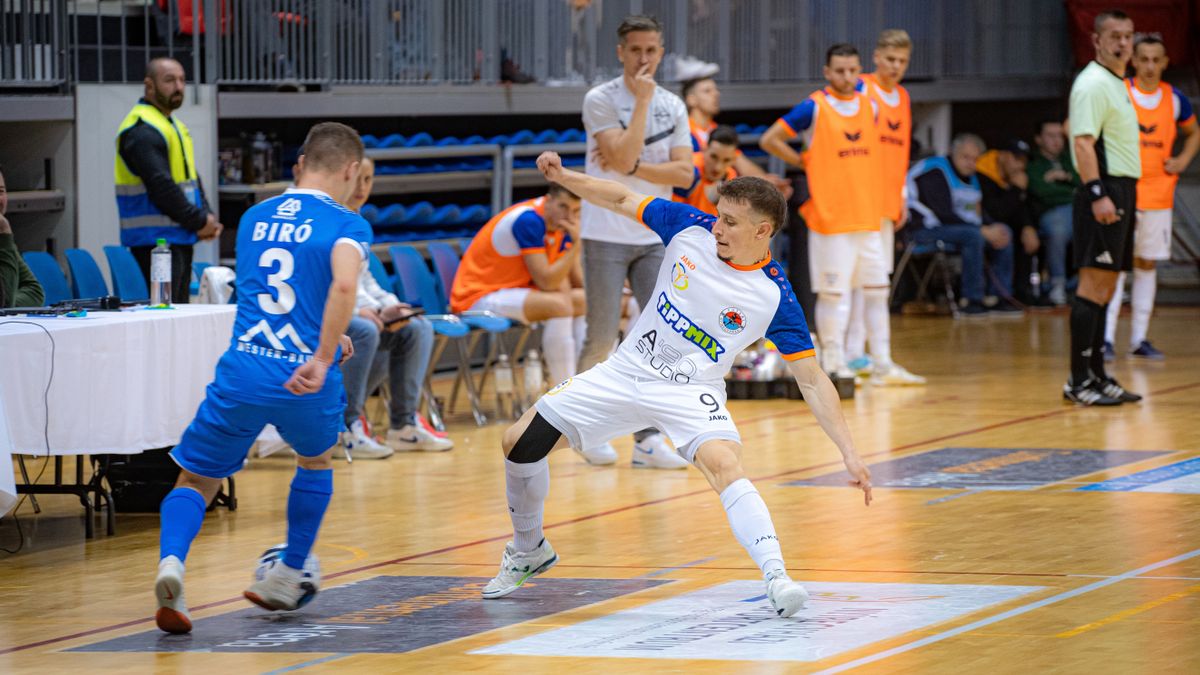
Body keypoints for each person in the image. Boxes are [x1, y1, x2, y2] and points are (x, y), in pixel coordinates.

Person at [480, 151, 872, 619]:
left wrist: (849, 452)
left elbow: (811, 379)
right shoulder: (689, 228)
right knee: (518, 443)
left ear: (762, 232)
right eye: (718, 217)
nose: (717, 229)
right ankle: (529, 549)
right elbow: (623, 197)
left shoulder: (773, 297)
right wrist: (566, 176)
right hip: (625, 371)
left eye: (729, 223)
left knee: (725, 463)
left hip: (692, 391)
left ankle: (777, 576)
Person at [152, 122, 370, 634]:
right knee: (315, 459)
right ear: (351, 170)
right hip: (301, 375)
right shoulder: (346, 223)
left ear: (300, 165)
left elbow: (279, 290)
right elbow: (341, 285)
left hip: (245, 367)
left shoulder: (253, 217)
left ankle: (172, 565)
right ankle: (289, 572)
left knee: (198, 477)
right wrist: (322, 354)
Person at [760, 43, 923, 385]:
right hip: (831, 219)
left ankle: (882, 362)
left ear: (859, 69)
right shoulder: (814, 108)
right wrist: (804, 160)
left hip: (868, 215)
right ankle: (833, 361)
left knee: (877, 291)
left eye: (852, 70)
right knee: (835, 294)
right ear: (827, 72)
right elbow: (771, 139)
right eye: (839, 71)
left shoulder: (872, 105)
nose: (847, 77)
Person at [577, 14, 694, 469]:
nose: (644, 58)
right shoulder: (600, 99)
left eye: (652, 50)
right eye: (635, 50)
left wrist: (628, 169)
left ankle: (647, 439)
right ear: (620, 52)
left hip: (654, 234)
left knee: (658, 338)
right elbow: (623, 152)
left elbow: (684, 174)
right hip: (604, 232)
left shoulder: (676, 105)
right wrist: (641, 106)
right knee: (602, 337)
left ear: (661, 52)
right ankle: (586, 429)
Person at [341, 157, 451, 457]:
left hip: (361, 313)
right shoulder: (330, 222)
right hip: (332, 320)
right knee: (365, 329)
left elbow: (366, 282)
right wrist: (360, 312)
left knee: (417, 327)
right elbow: (329, 285)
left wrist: (391, 305)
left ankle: (403, 425)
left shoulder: (358, 221)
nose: (362, 187)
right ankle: (345, 426)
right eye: (358, 179)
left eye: (369, 180)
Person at [1062, 10, 1141, 406]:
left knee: (1108, 286)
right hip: (1103, 191)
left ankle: (1097, 374)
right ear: (1096, 40)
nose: (1122, 43)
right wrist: (1098, 194)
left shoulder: (1117, 82)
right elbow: (1082, 143)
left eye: (1128, 36)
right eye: (1114, 35)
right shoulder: (1092, 83)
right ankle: (1078, 381)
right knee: (1092, 285)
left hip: (1123, 190)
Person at [1103, 35, 1198, 360]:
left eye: (1155, 60)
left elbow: (1194, 132)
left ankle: (1139, 339)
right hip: (1123, 192)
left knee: (1146, 264)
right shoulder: (1120, 92)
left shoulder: (1175, 99)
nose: (1149, 66)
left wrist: (1184, 160)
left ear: (1165, 63)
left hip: (1158, 194)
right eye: (1143, 59)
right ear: (1134, 61)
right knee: (1115, 267)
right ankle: (1106, 338)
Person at [450, 183, 586, 387]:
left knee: (586, 302)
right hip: (476, 297)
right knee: (559, 306)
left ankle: (586, 384)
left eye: (576, 210)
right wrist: (576, 246)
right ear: (548, 201)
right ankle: (567, 390)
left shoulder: (560, 224)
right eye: (563, 207)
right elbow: (547, 282)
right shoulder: (528, 220)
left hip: (512, 291)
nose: (569, 216)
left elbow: (572, 282)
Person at [115, 57, 222, 303]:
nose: (179, 87)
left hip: (180, 237)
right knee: (163, 317)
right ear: (149, 85)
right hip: (154, 244)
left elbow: (192, 179)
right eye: (169, 80)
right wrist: (199, 220)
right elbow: (161, 186)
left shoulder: (171, 125)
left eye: (183, 80)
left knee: (179, 317)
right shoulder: (141, 129)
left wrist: (207, 217)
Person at [845, 29, 917, 375]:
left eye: (902, 61)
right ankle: (854, 353)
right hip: (859, 199)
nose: (896, 66)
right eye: (890, 59)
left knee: (876, 280)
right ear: (876, 57)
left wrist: (901, 194)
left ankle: (871, 356)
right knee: (856, 279)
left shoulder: (902, 96)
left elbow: (900, 150)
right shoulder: (861, 89)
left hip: (887, 201)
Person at [681, 76, 792, 196]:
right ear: (691, 100)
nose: (716, 94)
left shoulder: (716, 131)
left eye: (716, 90)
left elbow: (740, 161)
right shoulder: (681, 132)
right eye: (707, 91)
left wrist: (767, 185)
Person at [975, 139, 1035, 314]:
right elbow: (996, 212)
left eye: (1023, 160)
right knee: (1004, 232)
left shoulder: (1014, 176)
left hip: (999, 226)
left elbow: (1020, 208)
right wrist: (1016, 190)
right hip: (985, 226)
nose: (1020, 165)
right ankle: (998, 296)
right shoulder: (982, 173)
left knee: (1028, 235)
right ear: (1002, 156)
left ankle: (1021, 291)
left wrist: (1027, 227)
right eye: (1016, 159)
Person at [1027, 120, 1079, 305]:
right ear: (1039, 139)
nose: (1057, 141)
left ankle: (1084, 284)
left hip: (1078, 209)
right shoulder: (1033, 162)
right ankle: (1057, 282)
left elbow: (1083, 184)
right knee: (1058, 229)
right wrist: (1069, 188)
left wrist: (1064, 178)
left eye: (1060, 136)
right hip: (1050, 212)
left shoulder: (1071, 159)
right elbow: (1040, 191)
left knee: (1099, 226)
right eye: (1051, 136)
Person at [0, 167, 45, 308]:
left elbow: (35, 292)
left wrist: (10, 302)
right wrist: (4, 232)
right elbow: (4, 303)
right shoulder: (3, 236)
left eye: (1, 191)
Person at [673, 124, 738, 215]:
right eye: (713, 157)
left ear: (734, 159)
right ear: (704, 149)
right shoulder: (688, 170)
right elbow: (672, 215)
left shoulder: (731, 177)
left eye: (726, 160)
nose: (718, 167)